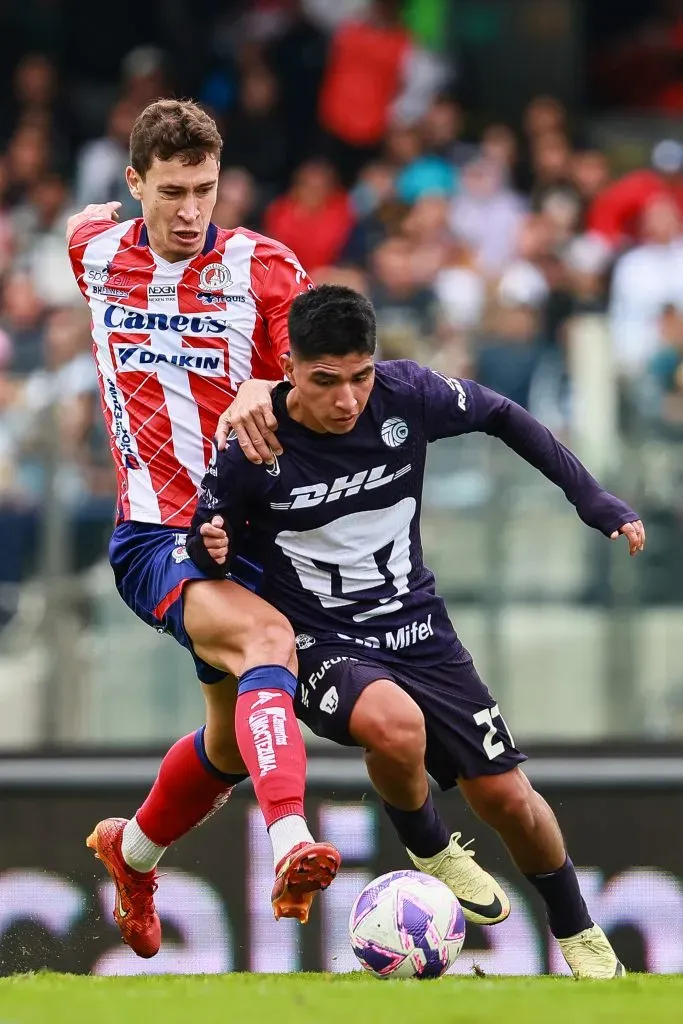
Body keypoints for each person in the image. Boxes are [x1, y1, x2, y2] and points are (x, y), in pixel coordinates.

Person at [187, 284, 646, 980]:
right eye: (325, 381)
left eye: (359, 377)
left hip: (418, 628)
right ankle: (426, 842)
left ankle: (581, 937)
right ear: (288, 369)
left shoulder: (408, 396)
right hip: (320, 640)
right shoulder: (253, 443)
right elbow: (204, 538)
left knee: (508, 799)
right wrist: (208, 548)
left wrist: (591, 496)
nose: (346, 399)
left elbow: (503, 414)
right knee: (395, 726)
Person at [65, 98, 342, 958]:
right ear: (135, 183)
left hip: (251, 534)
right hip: (156, 534)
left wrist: (276, 389)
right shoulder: (93, 250)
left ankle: (134, 851)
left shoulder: (264, 268)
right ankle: (292, 839)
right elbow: (83, 225)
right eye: (173, 191)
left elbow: (328, 385)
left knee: (226, 744)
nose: (191, 213)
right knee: (267, 642)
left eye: (207, 191)